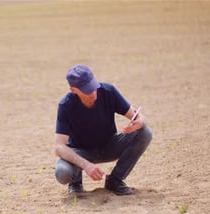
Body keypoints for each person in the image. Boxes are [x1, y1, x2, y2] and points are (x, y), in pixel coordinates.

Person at [54, 64, 152, 195]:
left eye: (93, 87)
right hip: (81, 152)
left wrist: (140, 122)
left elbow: (139, 116)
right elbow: (59, 146)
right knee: (62, 172)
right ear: (73, 90)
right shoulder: (66, 105)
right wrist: (86, 165)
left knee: (145, 133)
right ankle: (75, 183)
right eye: (87, 90)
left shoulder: (108, 91)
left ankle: (115, 181)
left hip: (109, 146)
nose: (93, 93)